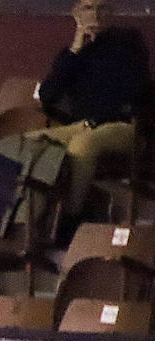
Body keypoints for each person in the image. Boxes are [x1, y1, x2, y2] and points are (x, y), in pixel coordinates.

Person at [31, 0, 153, 217]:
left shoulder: (128, 43)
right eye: (88, 8)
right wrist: (76, 49)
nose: (96, 14)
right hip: (81, 126)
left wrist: (95, 121)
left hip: (123, 126)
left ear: (112, 12)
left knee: (82, 145)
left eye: (102, 7)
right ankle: (29, 217)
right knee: (27, 141)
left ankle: (71, 216)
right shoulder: (73, 54)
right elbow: (47, 96)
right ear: (76, 13)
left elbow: (134, 91)